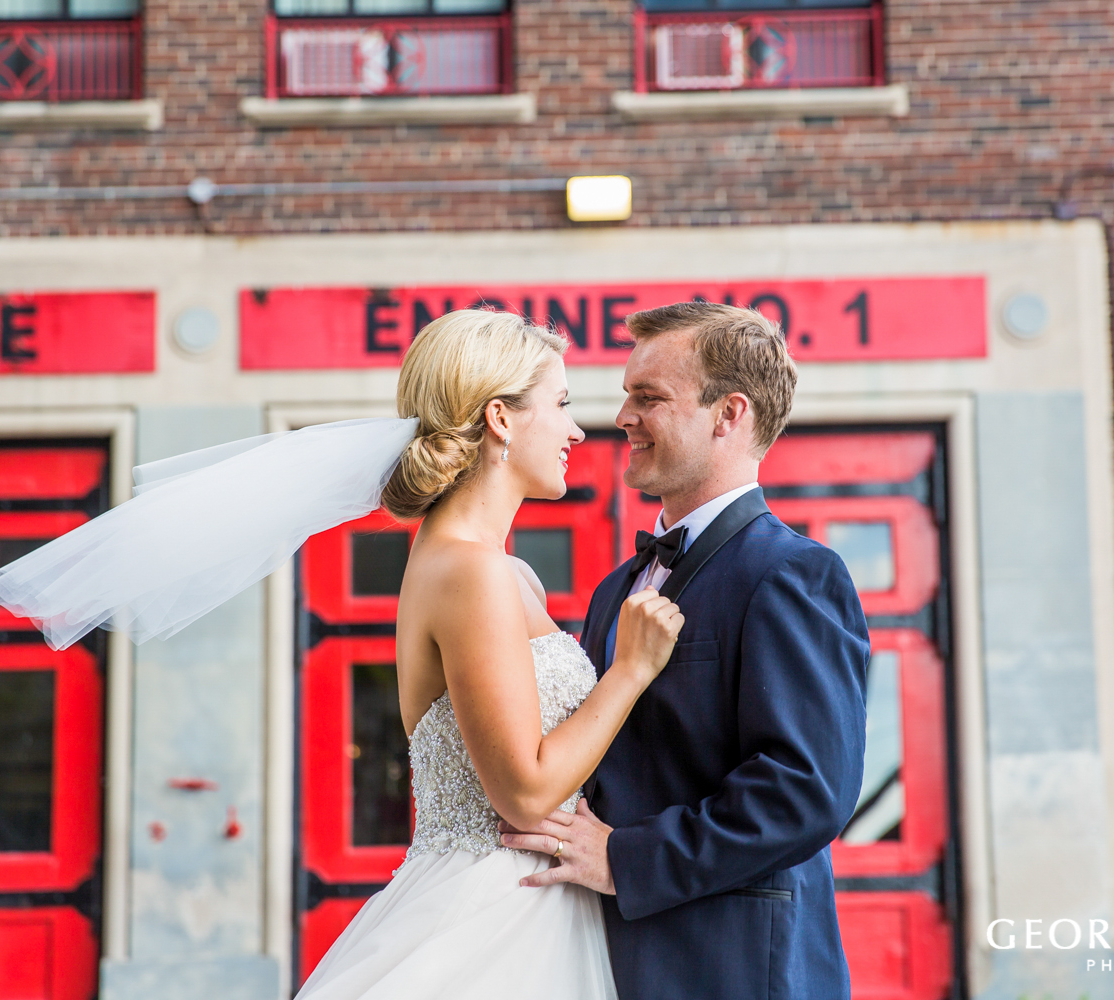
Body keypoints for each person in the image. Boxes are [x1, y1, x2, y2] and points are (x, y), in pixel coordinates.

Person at [293, 310, 683, 1000]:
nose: (576, 430)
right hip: (495, 918)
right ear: (500, 418)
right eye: (560, 406)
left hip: (529, 905)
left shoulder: (494, 570)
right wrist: (630, 670)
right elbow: (526, 793)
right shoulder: (472, 572)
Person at [499, 302, 871, 1000]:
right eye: (625, 397)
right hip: (604, 956)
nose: (624, 418)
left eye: (650, 398)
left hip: (732, 966)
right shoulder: (616, 587)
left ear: (728, 414)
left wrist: (624, 859)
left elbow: (807, 790)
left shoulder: (793, 573)